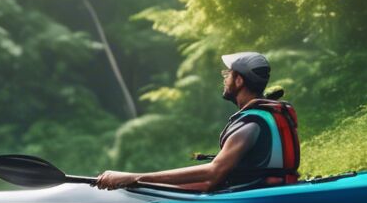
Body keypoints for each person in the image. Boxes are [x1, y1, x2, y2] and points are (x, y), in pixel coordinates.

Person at [95, 51, 300, 192]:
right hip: (270, 187)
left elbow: (214, 172)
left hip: (253, 193)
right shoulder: (268, 115)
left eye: (228, 74)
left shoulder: (249, 125)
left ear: (239, 80)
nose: (224, 78)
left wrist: (134, 177)